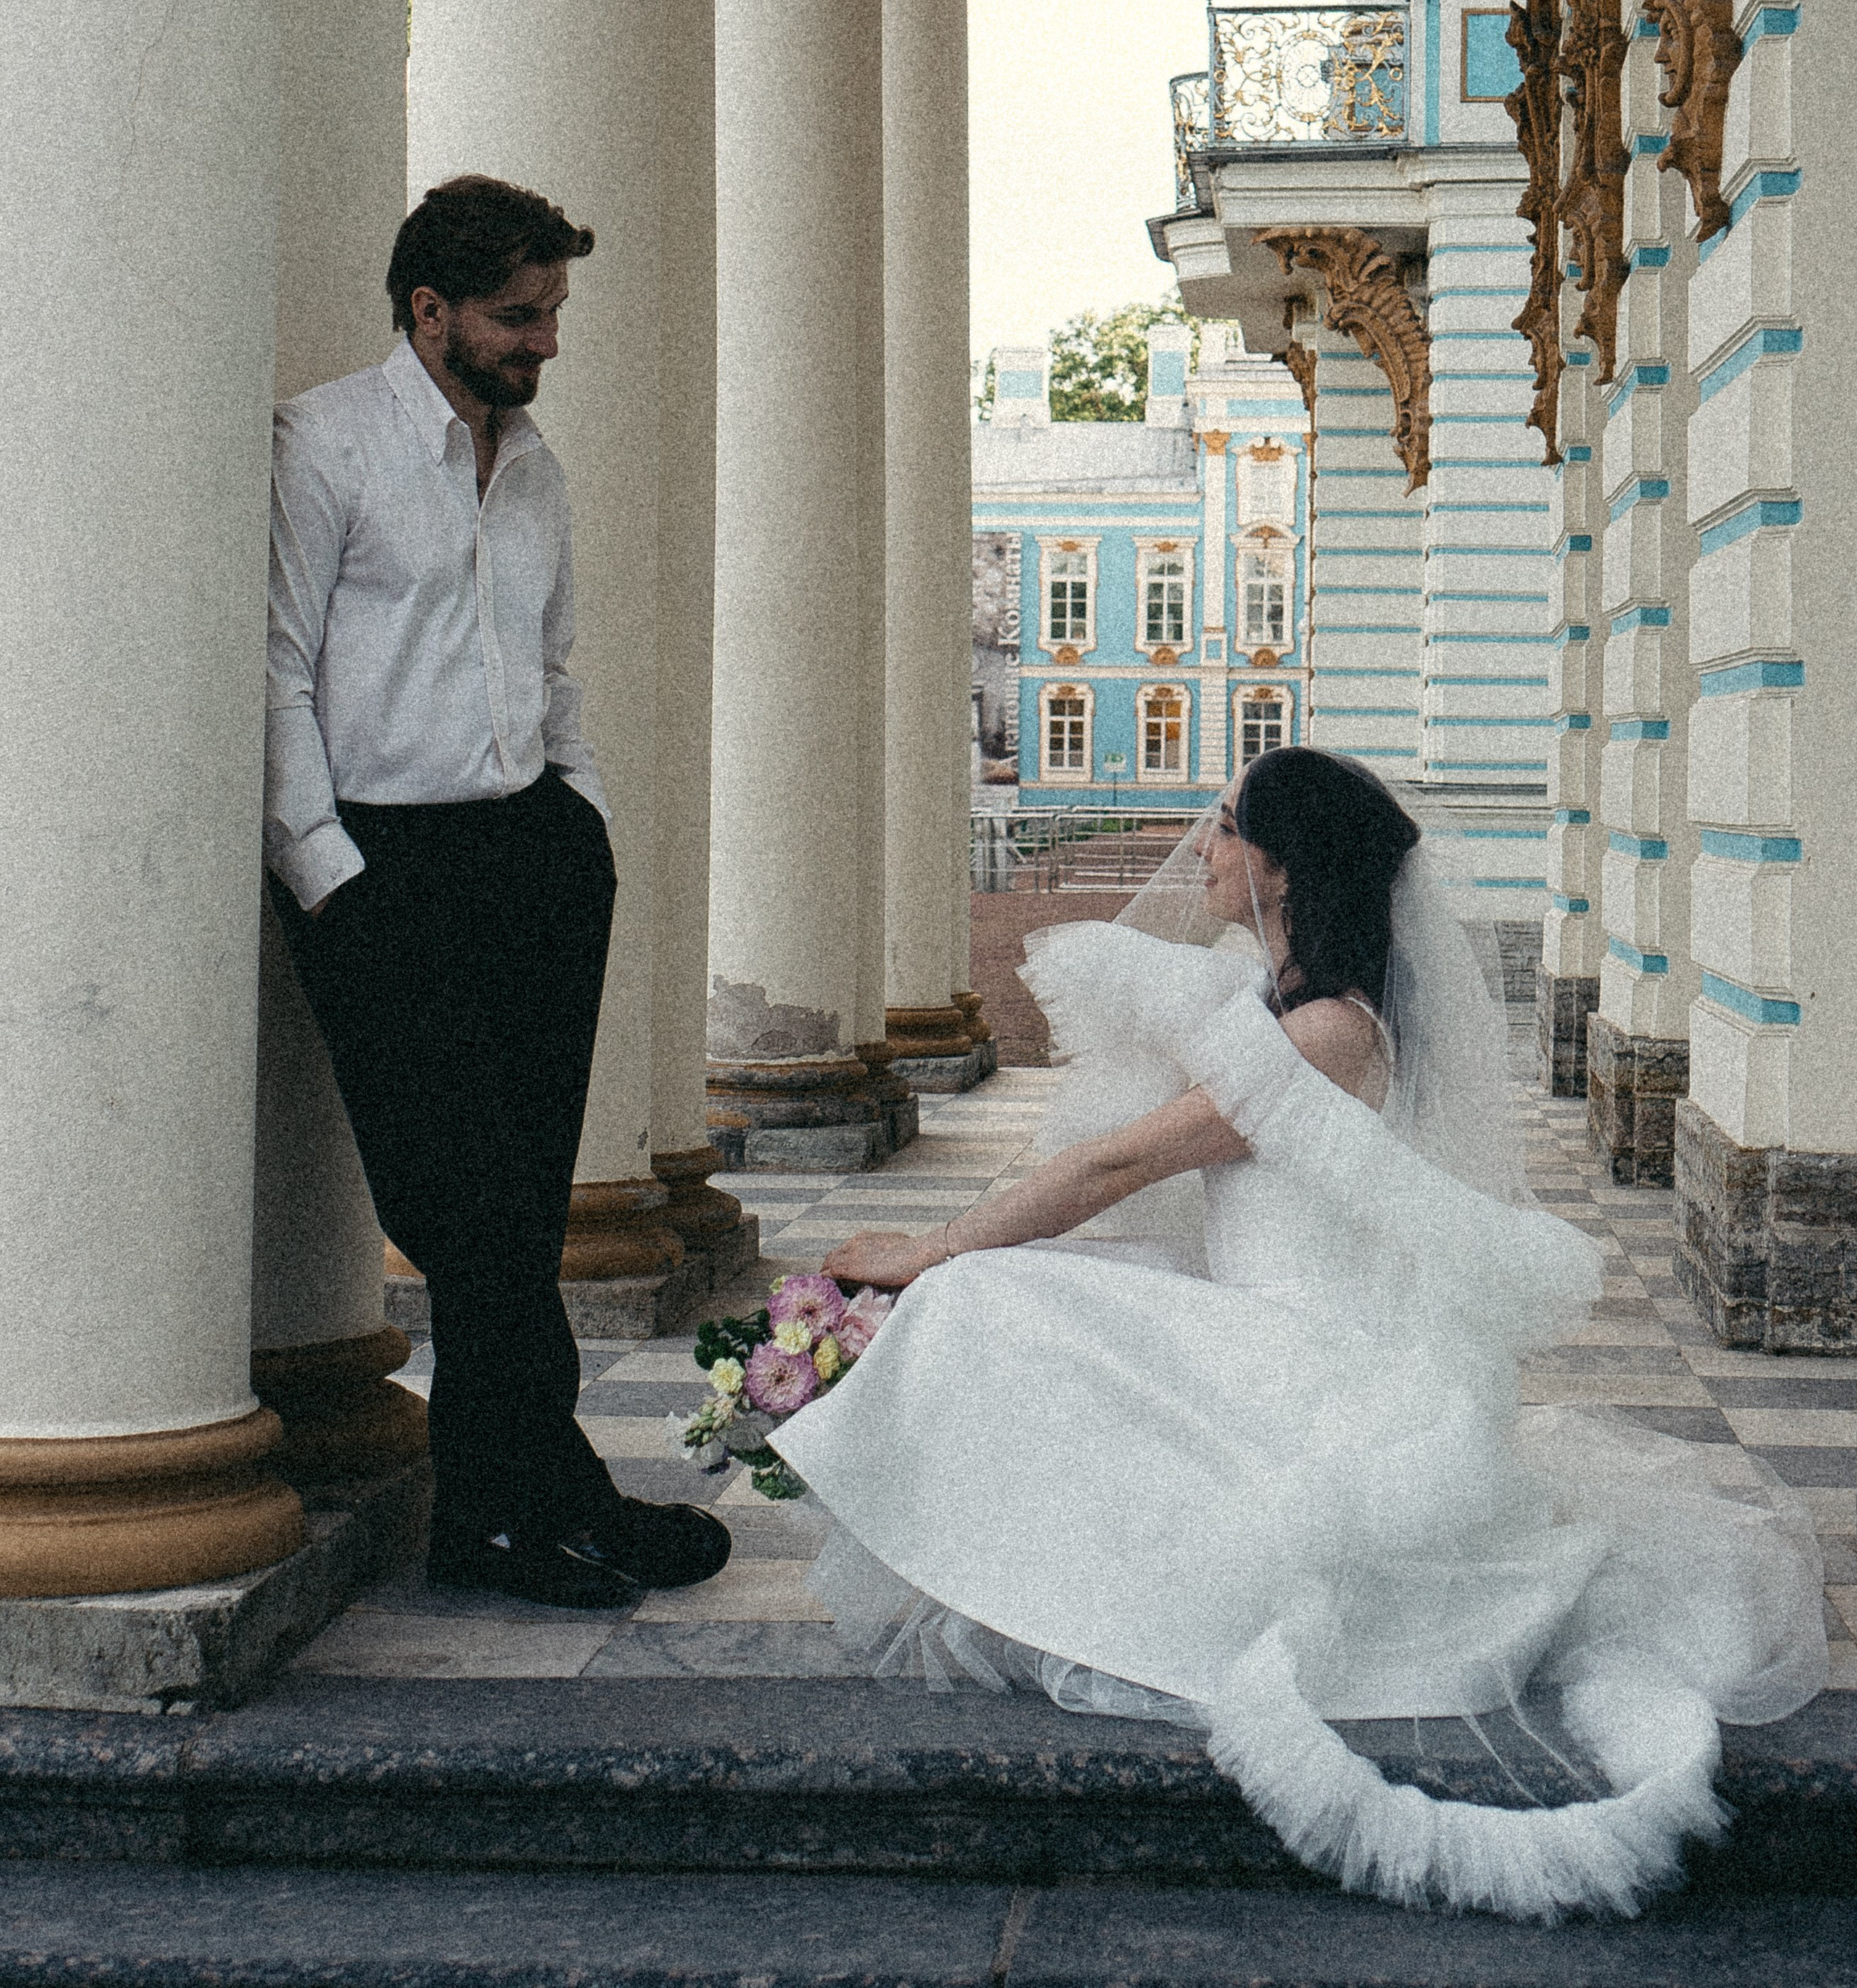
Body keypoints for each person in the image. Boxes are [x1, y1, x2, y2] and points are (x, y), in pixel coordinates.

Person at [770, 749, 1827, 1922]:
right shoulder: (1279, 1001)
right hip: (1262, 1319)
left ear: (1279, 864)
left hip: (1310, 1354)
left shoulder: (1326, 1032)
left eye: (1225, 829)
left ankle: (1052, 1572)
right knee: (1050, 1289)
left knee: (983, 1298)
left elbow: (1121, 1162)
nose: (1205, 849)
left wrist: (934, 1247)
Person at [264, 173, 729, 1609]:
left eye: (550, 315)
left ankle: (514, 1506)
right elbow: (273, 671)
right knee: (463, 1213)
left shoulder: (535, 469)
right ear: (431, 311)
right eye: (518, 317)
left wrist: (575, 819)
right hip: (382, 873)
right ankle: (528, 1501)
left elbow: (552, 665)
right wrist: (330, 873)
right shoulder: (325, 447)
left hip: (528, 860)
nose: (544, 344)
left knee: (518, 1217)